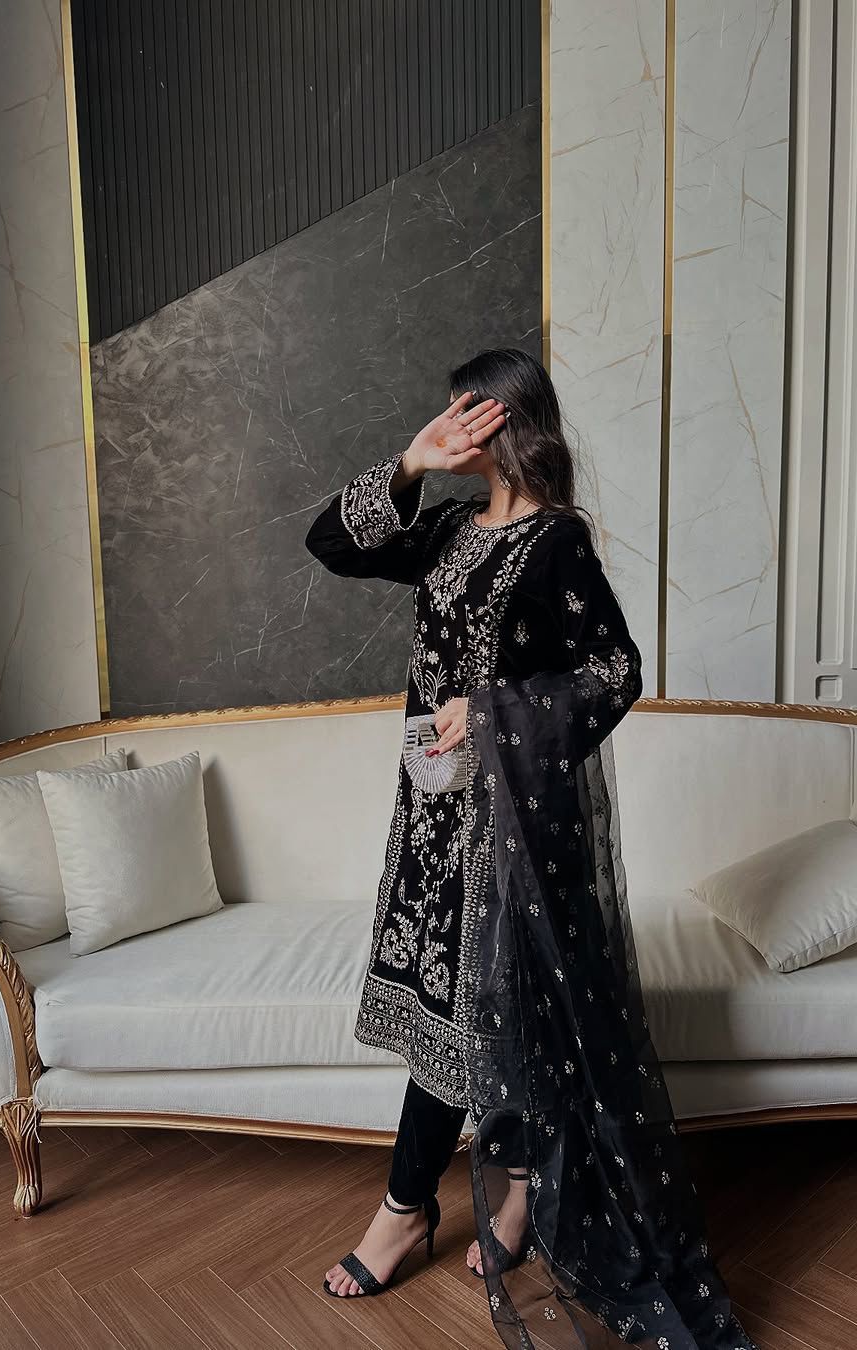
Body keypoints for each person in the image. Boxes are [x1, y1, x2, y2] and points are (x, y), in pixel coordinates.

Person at [306, 349, 754, 1349]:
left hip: (515, 830)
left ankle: (408, 1210)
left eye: (462, 415)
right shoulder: (448, 530)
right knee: (460, 1011)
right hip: (433, 822)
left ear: (505, 421)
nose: (450, 427)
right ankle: (509, 1193)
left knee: (488, 1009)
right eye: (444, 416)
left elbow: (615, 670)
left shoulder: (557, 543)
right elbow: (329, 543)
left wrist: (490, 710)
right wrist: (411, 463)